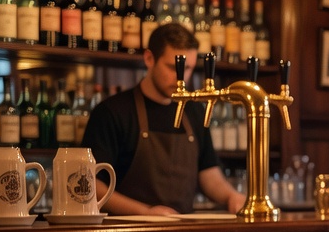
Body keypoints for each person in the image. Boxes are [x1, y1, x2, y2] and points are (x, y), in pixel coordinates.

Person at [83, 23, 245, 215]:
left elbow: (208, 172)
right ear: (149, 58)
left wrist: (232, 196)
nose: (181, 79)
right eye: (172, 67)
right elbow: (92, 185)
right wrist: (146, 213)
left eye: (188, 69)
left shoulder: (195, 110)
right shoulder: (112, 112)